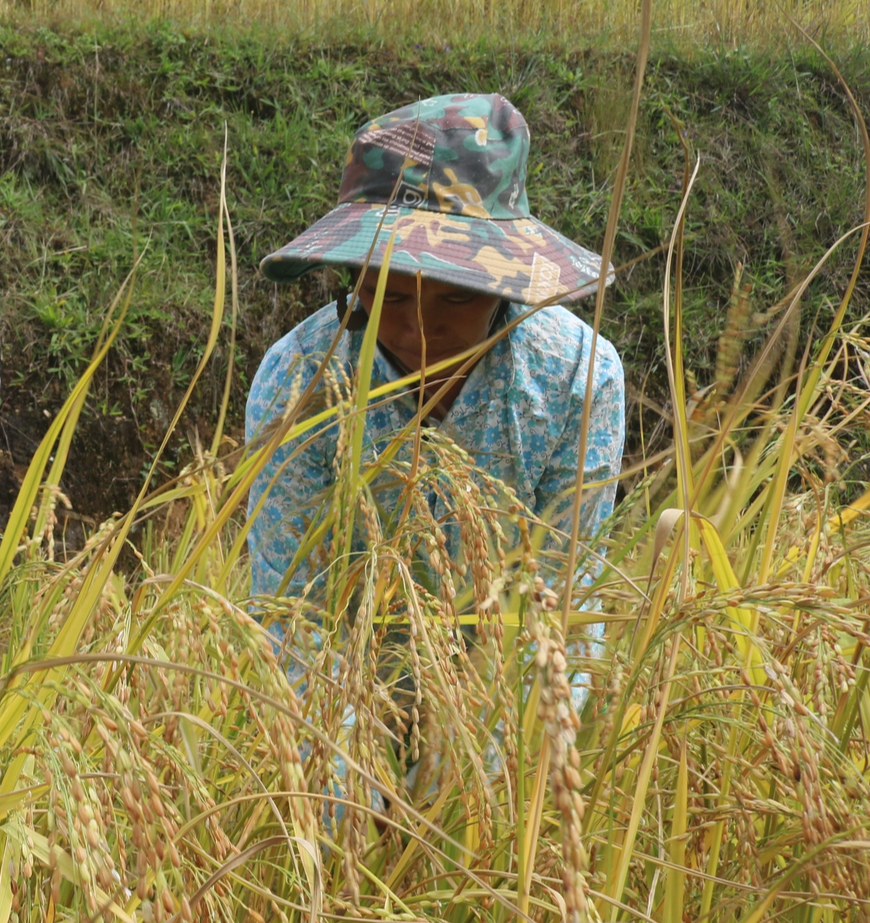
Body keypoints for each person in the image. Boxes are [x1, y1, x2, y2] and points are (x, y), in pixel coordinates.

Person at [245, 93, 625, 796]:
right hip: (333, 723)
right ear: (353, 279)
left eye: (455, 297)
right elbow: (288, 613)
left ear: (507, 283)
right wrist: (350, 789)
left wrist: (486, 792)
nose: (419, 332)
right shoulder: (299, 385)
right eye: (387, 294)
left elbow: (563, 604)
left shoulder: (575, 378)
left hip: (509, 728)